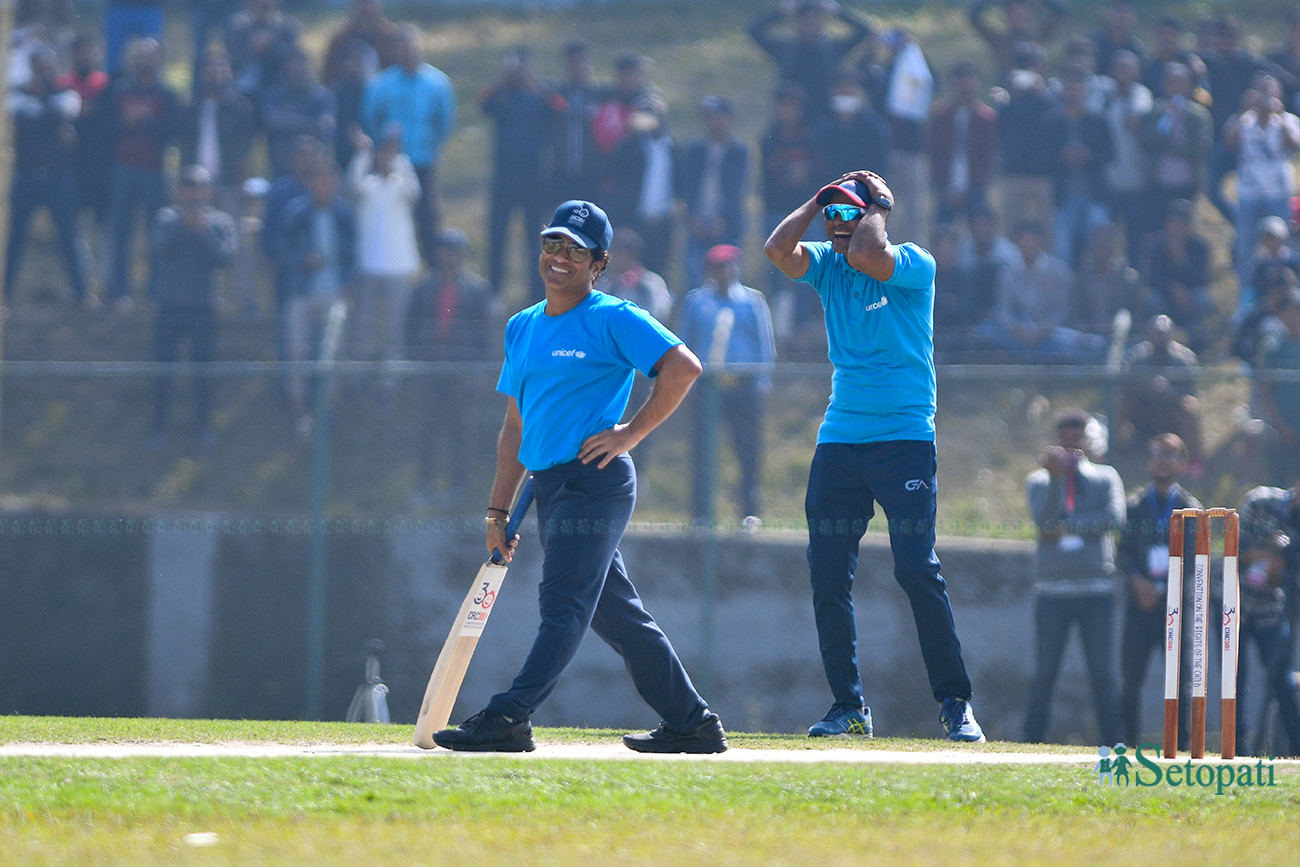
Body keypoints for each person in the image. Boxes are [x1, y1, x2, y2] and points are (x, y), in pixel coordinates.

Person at [433, 200, 728, 754]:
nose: (560, 257)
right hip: (549, 488)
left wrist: (630, 434)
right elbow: (515, 429)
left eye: (575, 249)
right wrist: (498, 512)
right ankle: (692, 723)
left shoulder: (612, 316)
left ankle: (510, 716)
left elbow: (684, 367)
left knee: (563, 603)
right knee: (617, 615)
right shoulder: (521, 326)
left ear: (599, 264)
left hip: (596, 482)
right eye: (552, 244)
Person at [763, 170, 985, 742]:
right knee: (828, 572)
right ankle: (849, 706)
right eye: (833, 215)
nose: (838, 225)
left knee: (915, 568)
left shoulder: (912, 262)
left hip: (904, 440)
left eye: (849, 213)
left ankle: (956, 702)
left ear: (874, 215)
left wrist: (877, 205)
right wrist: (817, 198)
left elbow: (868, 252)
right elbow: (776, 251)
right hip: (841, 440)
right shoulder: (827, 262)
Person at [1023, 408, 1126, 746]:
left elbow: (1113, 519)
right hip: (1052, 591)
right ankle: (1030, 743)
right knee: (1045, 672)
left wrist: (1067, 526)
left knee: (1103, 673)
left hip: (1097, 590)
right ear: (1056, 441)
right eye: (1064, 439)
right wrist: (1056, 480)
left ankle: (1113, 743)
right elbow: (1045, 523)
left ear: (1086, 441)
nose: (1070, 445)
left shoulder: (1105, 477)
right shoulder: (1038, 481)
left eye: (1076, 438)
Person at [677, 244, 777, 524]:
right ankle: (701, 515)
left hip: (743, 384)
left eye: (730, 265)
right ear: (710, 271)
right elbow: (685, 343)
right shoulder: (696, 302)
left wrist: (761, 382)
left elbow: (764, 343)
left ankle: (749, 512)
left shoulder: (752, 301)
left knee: (748, 450)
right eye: (719, 267)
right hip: (708, 385)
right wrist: (687, 385)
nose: (726, 272)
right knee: (703, 452)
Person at [1116, 433, 1201, 748]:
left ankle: (1180, 745)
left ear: (1182, 463)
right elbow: (1123, 551)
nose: (1163, 461)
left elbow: (1194, 558)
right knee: (1130, 676)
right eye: (1157, 454)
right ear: (1148, 462)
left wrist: (1163, 587)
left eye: (1170, 455)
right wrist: (1137, 581)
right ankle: (1128, 743)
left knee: (1179, 679)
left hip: (1174, 606)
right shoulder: (1135, 505)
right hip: (1140, 604)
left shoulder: (1190, 508)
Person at [406, 228, 500, 506]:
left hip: (462, 371)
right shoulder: (424, 287)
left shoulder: (477, 289)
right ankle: (424, 484)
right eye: (446, 252)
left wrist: (480, 371)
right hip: (430, 368)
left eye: (455, 252)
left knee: (460, 428)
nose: (450, 258)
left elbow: (485, 334)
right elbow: (410, 327)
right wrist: (415, 359)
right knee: (427, 429)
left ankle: (458, 485)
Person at [148, 165, 238, 450]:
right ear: (179, 191)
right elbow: (159, 248)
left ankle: (203, 430)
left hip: (204, 308)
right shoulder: (166, 218)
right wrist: (183, 226)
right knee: (163, 371)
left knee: (204, 374)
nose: (193, 193)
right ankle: (159, 429)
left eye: (199, 188)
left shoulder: (220, 222)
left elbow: (225, 259)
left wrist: (203, 231)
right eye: (188, 187)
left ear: (208, 191)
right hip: (170, 306)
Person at [362, 24, 456, 264]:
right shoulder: (381, 84)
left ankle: (434, 269)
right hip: (391, 164)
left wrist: (433, 145)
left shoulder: (437, 84)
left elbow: (444, 122)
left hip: (424, 159)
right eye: (402, 46)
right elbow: (370, 119)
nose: (407, 51)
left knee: (428, 218)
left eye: (411, 45)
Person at [4, 45, 89, 308]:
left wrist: (45, 115)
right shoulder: (16, 94)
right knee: (14, 238)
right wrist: (52, 124)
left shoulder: (67, 93)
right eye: (38, 66)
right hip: (26, 176)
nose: (42, 71)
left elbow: (61, 113)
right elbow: (24, 119)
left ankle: (82, 293)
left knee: (70, 237)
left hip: (59, 177)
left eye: (47, 66)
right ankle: (5, 293)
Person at [102, 36, 183, 310]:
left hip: (154, 171)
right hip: (122, 170)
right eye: (140, 55)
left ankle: (156, 291)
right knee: (120, 232)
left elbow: (174, 131)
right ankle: (118, 290)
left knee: (157, 233)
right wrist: (126, 122)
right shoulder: (119, 91)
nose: (145, 61)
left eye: (150, 56)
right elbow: (105, 128)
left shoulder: (167, 94)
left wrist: (149, 120)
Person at [278, 162, 355, 436]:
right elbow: (282, 252)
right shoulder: (296, 213)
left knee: (332, 353)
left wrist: (347, 285)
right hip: (302, 292)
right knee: (297, 351)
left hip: (333, 292)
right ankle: (298, 410)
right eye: (319, 181)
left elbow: (352, 254)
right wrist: (303, 260)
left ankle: (327, 411)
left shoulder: (344, 214)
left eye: (329, 181)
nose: (324, 186)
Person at [477, 47, 554, 300]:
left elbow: (558, 108)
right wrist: (504, 80)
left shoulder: (539, 96)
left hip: (534, 179)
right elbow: (482, 104)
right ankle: (494, 292)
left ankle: (536, 294)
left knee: (535, 239)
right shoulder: (501, 96)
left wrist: (534, 82)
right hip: (504, 178)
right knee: (497, 236)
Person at [346, 124, 421, 379]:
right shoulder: (368, 186)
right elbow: (352, 186)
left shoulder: (402, 184)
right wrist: (363, 153)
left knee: (394, 329)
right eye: (383, 153)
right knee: (363, 326)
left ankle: (390, 380)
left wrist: (398, 157)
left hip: (400, 267)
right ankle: (360, 377)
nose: (386, 158)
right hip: (369, 265)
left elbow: (414, 192)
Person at [1235, 481, 1300, 757]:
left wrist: (1279, 571)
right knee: (1235, 678)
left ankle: (1296, 750)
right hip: (1234, 601)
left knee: (1282, 678)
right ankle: (1238, 749)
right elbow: (1235, 547)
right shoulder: (1259, 500)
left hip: (1272, 606)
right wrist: (1268, 554)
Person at [747, 0, 873, 123]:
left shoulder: (833, 48)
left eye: (814, 18)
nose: (809, 22)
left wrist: (837, 11)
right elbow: (754, 30)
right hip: (792, 117)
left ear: (821, 21)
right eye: (805, 18)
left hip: (825, 114)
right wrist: (781, 12)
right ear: (798, 22)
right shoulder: (784, 48)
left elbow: (864, 30)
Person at [676, 95, 750, 292]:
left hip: (726, 225)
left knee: (729, 280)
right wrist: (691, 216)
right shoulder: (695, 149)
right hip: (697, 222)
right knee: (695, 278)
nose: (712, 122)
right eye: (708, 117)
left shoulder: (738, 151)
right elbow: (687, 186)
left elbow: (737, 190)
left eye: (717, 116)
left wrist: (723, 218)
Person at [1118, 315, 1203, 470]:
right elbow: (1126, 384)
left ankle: (1194, 460)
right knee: (1121, 399)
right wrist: (1146, 387)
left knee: (1190, 405)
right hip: (1144, 411)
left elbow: (1190, 391)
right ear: (1148, 334)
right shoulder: (1136, 356)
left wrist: (1169, 391)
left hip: (1173, 413)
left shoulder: (1184, 358)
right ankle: (1116, 451)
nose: (1159, 338)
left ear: (1172, 334)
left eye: (1163, 334)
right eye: (1156, 333)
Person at [928, 60, 998, 232]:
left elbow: (988, 155)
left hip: (975, 185)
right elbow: (934, 153)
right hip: (946, 184)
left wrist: (975, 184)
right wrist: (942, 184)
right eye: (960, 80)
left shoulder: (986, 118)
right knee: (943, 231)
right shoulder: (940, 115)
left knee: (979, 230)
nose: (965, 86)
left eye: (969, 79)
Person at [1256, 288, 1300, 487]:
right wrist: (1283, 429)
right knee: (1278, 484)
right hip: (1280, 431)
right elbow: (1265, 391)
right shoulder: (1272, 345)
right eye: (1287, 310)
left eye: (1296, 309)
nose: (1292, 315)